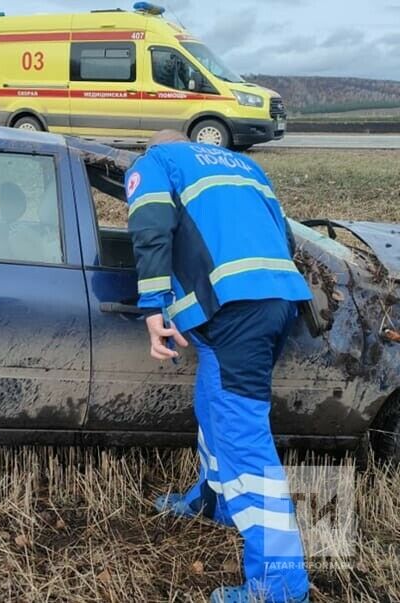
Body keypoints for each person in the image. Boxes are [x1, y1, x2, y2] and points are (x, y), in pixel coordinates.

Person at [125, 130, 312, 603]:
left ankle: (281, 588)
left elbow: (149, 224)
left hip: (235, 311)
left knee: (244, 442)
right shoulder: (243, 166)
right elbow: (284, 234)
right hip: (275, 301)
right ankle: (214, 500)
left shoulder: (157, 162)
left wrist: (152, 306)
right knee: (214, 405)